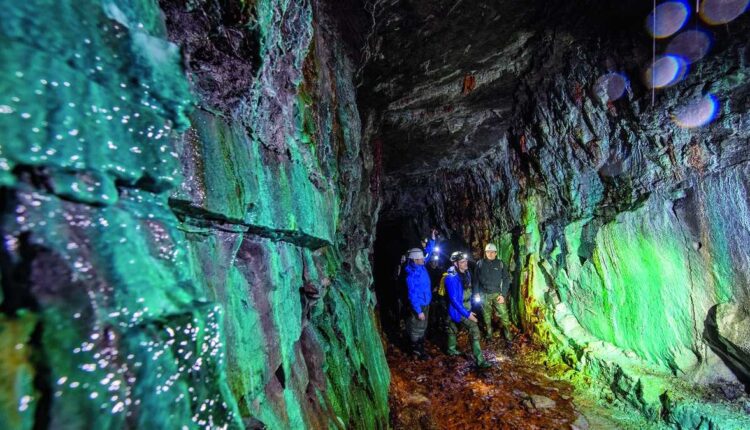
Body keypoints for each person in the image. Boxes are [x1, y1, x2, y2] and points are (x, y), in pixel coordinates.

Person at [444, 251, 491, 368]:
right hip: (457, 309)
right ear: (455, 264)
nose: (465, 263)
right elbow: (454, 300)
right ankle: (480, 361)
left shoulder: (466, 272)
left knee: (452, 327)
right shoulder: (451, 278)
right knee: (474, 329)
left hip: (465, 306)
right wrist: (467, 314)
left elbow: (468, 289)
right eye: (462, 262)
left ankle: (451, 350)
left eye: (465, 261)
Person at [475, 243, 513, 342]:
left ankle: (508, 336)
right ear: (485, 253)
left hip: (497, 294)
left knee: (504, 315)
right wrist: (476, 293)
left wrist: (503, 295)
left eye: (492, 252)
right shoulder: (479, 263)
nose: (490, 254)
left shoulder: (500, 264)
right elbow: (475, 280)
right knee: (486, 316)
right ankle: (489, 335)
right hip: (484, 294)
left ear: (496, 253)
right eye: (488, 252)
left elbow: (506, 279)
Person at [405, 247, 432, 360]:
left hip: (425, 302)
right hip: (419, 305)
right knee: (416, 328)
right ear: (415, 260)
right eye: (420, 258)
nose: (423, 259)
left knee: (423, 326)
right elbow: (412, 295)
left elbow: (428, 255)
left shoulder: (421, 267)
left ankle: (420, 349)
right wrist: (418, 311)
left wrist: (432, 240)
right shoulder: (411, 275)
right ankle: (416, 351)